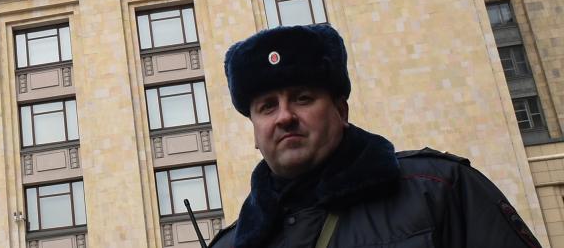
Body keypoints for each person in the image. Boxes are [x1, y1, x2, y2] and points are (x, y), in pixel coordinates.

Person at [208, 24, 542, 248]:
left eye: (303, 98)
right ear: (254, 131)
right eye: (267, 107)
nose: (285, 116)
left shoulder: (439, 190)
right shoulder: (231, 243)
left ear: (342, 111)